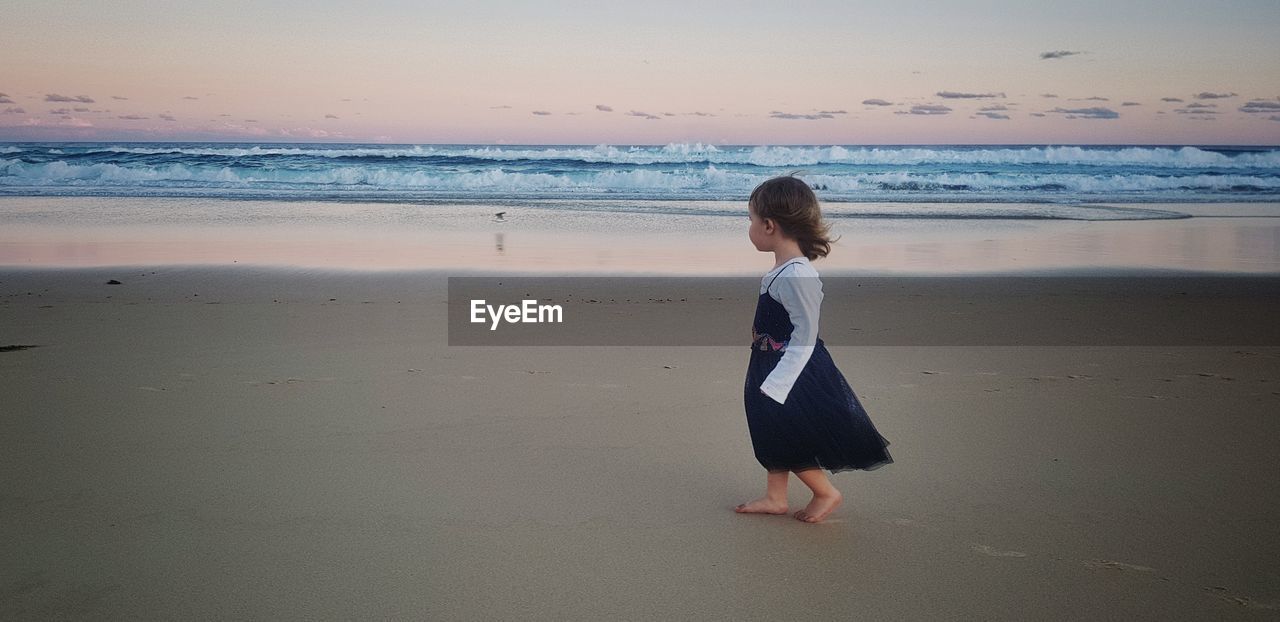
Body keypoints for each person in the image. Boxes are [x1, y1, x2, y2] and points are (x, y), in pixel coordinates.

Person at [735, 175, 893, 523]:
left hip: (792, 370)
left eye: (750, 219)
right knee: (768, 428)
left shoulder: (798, 274)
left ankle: (825, 492)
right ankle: (776, 497)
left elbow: (806, 334)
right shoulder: (784, 269)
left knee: (787, 430)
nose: (749, 227)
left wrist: (779, 382)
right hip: (769, 362)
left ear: (770, 225)